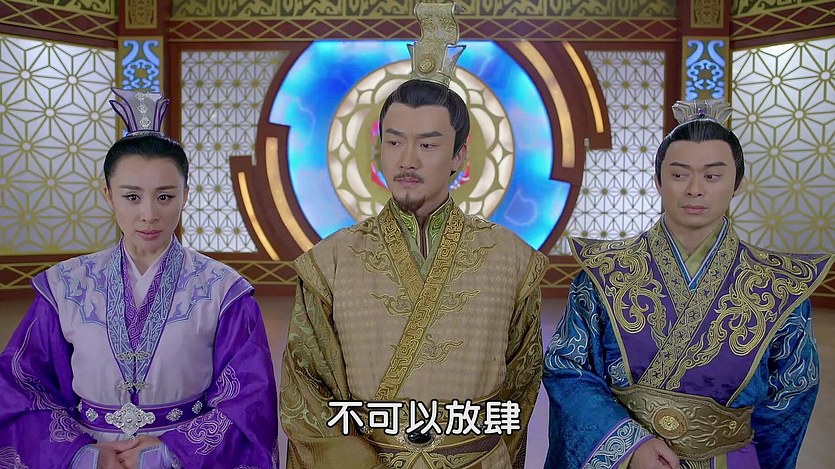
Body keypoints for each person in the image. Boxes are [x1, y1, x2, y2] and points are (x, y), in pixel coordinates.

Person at [279, 3, 546, 468]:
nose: (408, 159)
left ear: (459, 155)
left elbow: (521, 387)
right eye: (395, 141)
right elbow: (306, 383)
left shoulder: (511, 259)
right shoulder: (331, 261)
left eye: (428, 144)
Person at [542, 99, 834, 469]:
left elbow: (792, 394)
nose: (695, 189)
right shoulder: (604, 273)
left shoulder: (778, 285)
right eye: (680, 175)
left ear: (737, 183)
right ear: (658, 181)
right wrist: (629, 445)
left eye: (712, 176)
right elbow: (567, 366)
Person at [0, 88, 279, 468]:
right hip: (90, 457)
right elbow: (23, 387)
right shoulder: (64, 286)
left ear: (185, 195)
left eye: (165, 197)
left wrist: (168, 453)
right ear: (108, 195)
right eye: (132, 197)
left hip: (183, 459)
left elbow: (248, 400)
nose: (149, 214)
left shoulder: (222, 290)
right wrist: (81, 454)